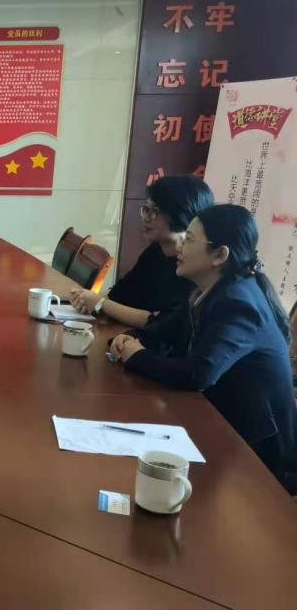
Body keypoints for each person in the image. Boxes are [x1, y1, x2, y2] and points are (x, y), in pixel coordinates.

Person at [109, 204, 296, 492]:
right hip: (217, 424)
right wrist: (132, 338)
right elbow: (163, 330)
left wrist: (138, 355)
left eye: (190, 239)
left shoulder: (239, 303)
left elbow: (199, 373)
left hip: (257, 455)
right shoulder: (207, 290)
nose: (180, 246)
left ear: (219, 255)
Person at [71, 175, 213, 327]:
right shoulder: (155, 250)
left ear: (181, 214)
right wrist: (86, 298)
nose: (146, 218)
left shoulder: (193, 266)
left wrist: (100, 303)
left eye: (154, 211)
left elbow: (163, 321)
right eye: (145, 209)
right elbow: (121, 292)